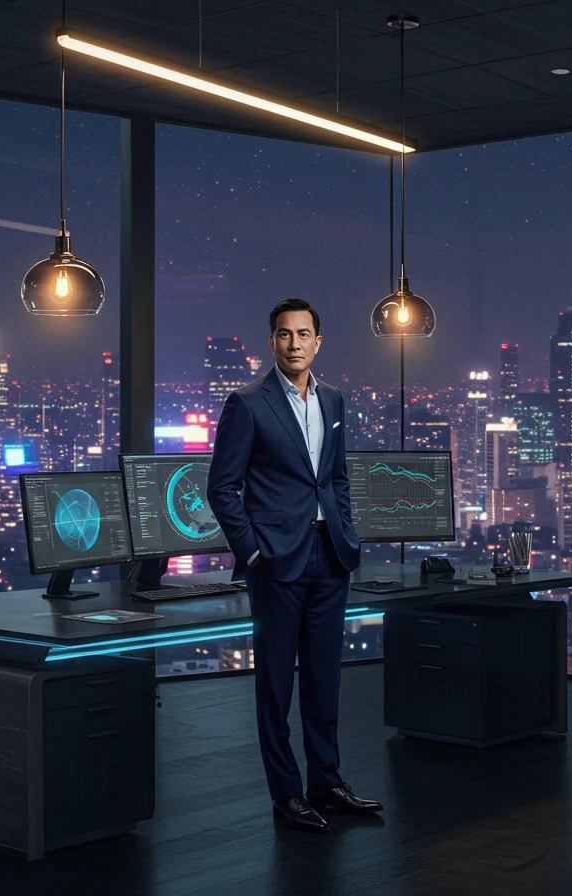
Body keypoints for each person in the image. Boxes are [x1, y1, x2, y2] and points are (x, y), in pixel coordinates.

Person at [206, 298, 383, 832]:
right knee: (276, 686)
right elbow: (222, 487)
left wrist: (343, 528)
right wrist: (253, 550)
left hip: (329, 558)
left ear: (318, 342)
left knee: (324, 681)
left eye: (304, 334)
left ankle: (326, 783)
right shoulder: (247, 404)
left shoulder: (333, 399)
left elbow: (336, 478)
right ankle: (286, 794)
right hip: (276, 563)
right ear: (272, 342)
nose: (295, 344)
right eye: (285, 335)